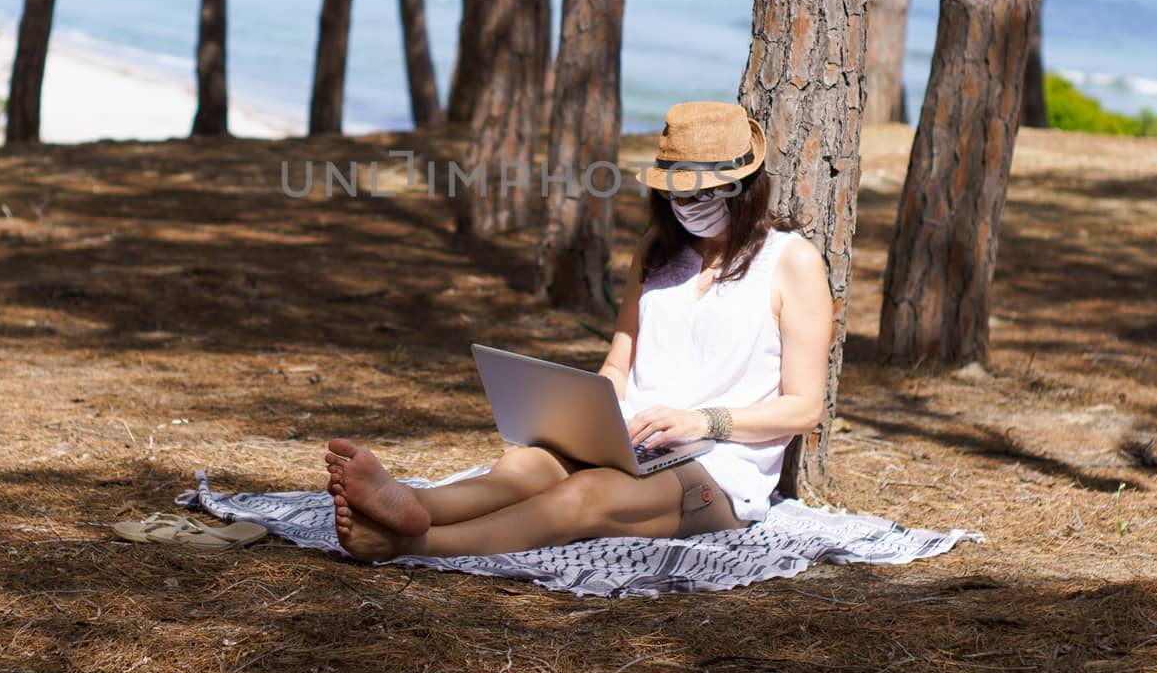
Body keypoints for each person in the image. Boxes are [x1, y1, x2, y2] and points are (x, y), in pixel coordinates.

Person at [326, 101, 834, 560]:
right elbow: (619, 361)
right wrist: (593, 417)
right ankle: (411, 502)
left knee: (585, 498)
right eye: (677, 191)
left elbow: (804, 408)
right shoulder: (657, 251)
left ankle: (413, 542)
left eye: (705, 191)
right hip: (628, 440)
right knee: (524, 467)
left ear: (745, 186)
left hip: (719, 466)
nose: (689, 204)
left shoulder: (792, 262)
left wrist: (703, 422)